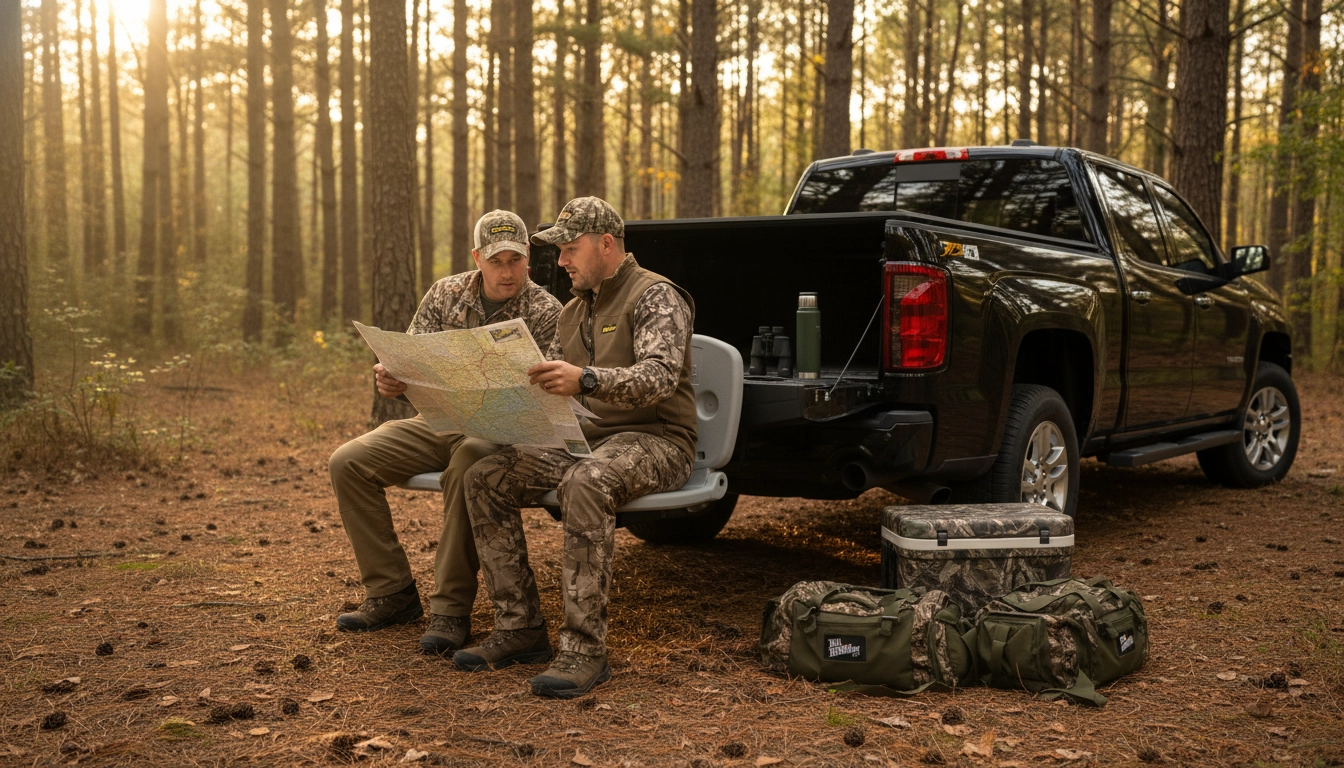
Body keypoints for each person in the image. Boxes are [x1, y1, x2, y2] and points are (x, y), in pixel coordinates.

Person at [453, 197, 696, 698]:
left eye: (569, 249)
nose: (561, 261)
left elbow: (659, 379)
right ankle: (519, 627)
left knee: (585, 481)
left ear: (606, 244)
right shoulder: (571, 312)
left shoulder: (656, 296)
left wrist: (583, 379)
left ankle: (585, 650)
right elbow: (554, 385)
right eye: (559, 251)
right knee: (485, 477)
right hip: (586, 439)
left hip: (657, 440)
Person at [327, 210, 563, 657]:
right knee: (348, 462)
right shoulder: (446, 293)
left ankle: (450, 611)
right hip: (439, 421)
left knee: (468, 466)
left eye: (516, 259)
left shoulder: (546, 310)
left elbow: (549, 398)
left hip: (501, 433)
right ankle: (391, 592)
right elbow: (411, 363)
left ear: (528, 258)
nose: (507, 270)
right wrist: (393, 380)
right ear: (478, 258)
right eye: (497, 260)